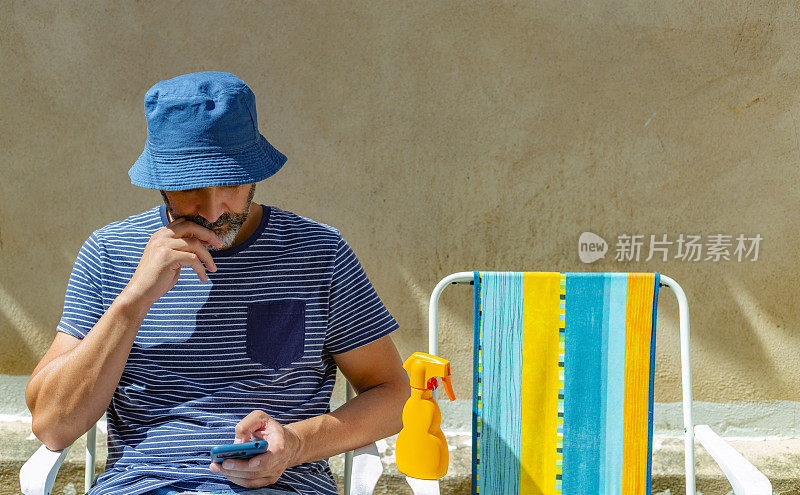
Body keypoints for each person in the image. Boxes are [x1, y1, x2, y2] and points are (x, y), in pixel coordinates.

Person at [24, 71, 411, 495]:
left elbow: (392, 394)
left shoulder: (319, 252)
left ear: (254, 171)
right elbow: (52, 426)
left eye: (229, 181)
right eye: (190, 186)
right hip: (143, 486)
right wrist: (134, 299)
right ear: (161, 182)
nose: (212, 209)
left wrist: (296, 443)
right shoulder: (110, 252)